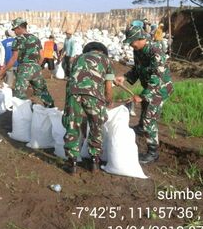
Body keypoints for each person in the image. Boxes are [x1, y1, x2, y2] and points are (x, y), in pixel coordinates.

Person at [115, 26, 174, 164]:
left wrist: (143, 95)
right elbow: (137, 69)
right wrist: (124, 77)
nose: (130, 45)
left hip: (160, 89)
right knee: (145, 108)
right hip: (149, 86)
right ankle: (141, 128)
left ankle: (153, 153)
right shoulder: (138, 51)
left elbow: (157, 77)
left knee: (149, 119)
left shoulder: (155, 51)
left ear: (141, 39)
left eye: (132, 41)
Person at [62, 41, 114, 175]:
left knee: (72, 125)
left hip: (73, 94)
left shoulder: (78, 57)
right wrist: (109, 100)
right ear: (102, 51)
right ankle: (95, 162)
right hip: (94, 95)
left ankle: (72, 162)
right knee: (97, 125)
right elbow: (108, 85)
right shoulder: (107, 60)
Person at [0, 17, 54, 108]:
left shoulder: (18, 40)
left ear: (19, 28)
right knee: (43, 93)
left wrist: (3, 70)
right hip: (36, 69)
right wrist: (35, 67)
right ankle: (52, 112)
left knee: (19, 96)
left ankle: (22, 116)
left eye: (15, 29)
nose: (14, 32)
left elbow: (14, 58)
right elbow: (42, 56)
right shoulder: (36, 39)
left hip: (24, 69)